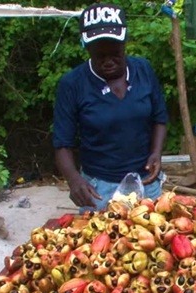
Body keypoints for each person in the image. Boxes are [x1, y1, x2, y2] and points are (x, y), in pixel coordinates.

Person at [53, 3, 168, 212]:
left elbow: (160, 118)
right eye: (100, 55)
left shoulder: (143, 70)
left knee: (154, 239)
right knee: (100, 242)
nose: (108, 61)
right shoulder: (73, 84)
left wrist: (156, 153)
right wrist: (73, 179)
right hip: (99, 188)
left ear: (124, 45)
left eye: (115, 53)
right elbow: (62, 144)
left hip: (147, 183)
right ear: (87, 49)